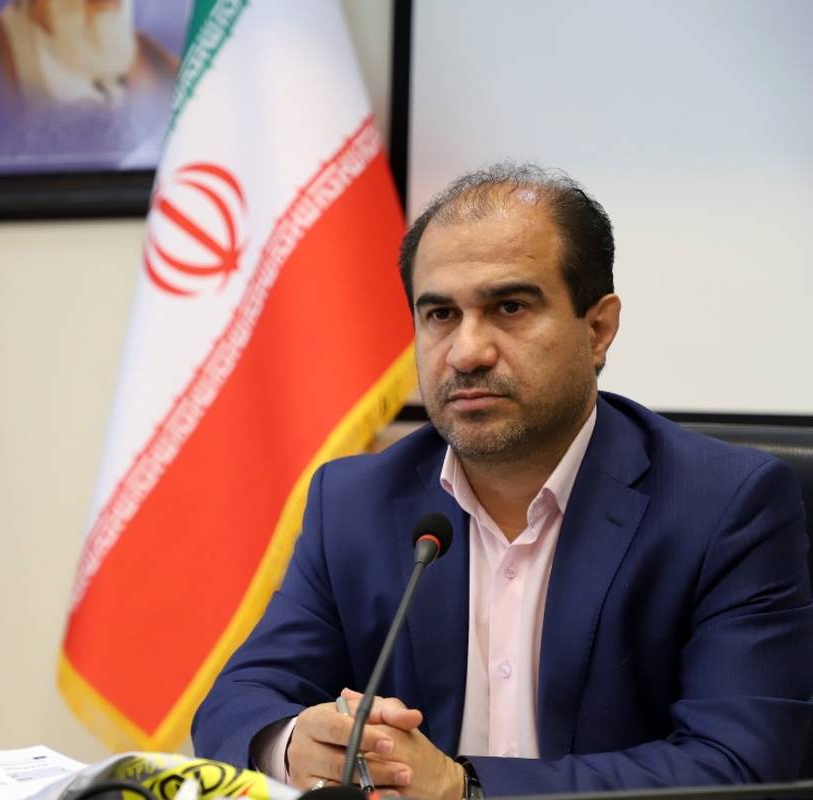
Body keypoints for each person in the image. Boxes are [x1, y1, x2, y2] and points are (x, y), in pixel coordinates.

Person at [191, 164, 813, 798]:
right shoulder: (356, 502)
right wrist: (295, 743)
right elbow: (240, 701)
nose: (466, 352)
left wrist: (465, 789)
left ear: (598, 329)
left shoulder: (725, 506)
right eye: (440, 314)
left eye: (509, 308)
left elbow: (740, 763)